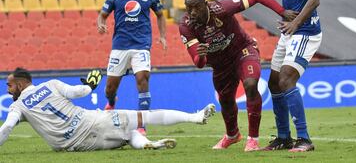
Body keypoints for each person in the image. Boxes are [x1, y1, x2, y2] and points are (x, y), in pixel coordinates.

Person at [179, 0, 297, 151]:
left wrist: (282, 11)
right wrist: (202, 55)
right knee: (225, 100)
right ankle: (232, 135)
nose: (192, 12)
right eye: (188, 8)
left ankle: (253, 140)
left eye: (196, 7)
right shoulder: (186, 26)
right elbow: (199, 63)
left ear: (205, 4)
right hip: (220, 64)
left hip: (242, 51)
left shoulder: (222, 8)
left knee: (250, 84)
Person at [0, 68, 216, 152]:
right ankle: (195, 117)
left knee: (126, 136)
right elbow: (81, 91)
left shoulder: (18, 106)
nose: (8, 90)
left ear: (20, 84)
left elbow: (7, 128)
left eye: (9, 86)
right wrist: (92, 84)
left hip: (78, 145)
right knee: (143, 118)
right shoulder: (52, 85)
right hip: (93, 121)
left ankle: (146, 145)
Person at [263, 0, 322, 152]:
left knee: (287, 79)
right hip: (292, 30)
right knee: (274, 82)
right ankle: (283, 138)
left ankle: (304, 140)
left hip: (306, 32)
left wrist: (295, 23)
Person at [97, 0, 167, 133]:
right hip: (119, 46)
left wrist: (163, 36)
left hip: (141, 45)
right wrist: (101, 23)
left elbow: (160, 15)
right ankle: (112, 102)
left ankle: (141, 124)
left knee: (143, 79)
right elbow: (103, 15)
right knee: (109, 88)